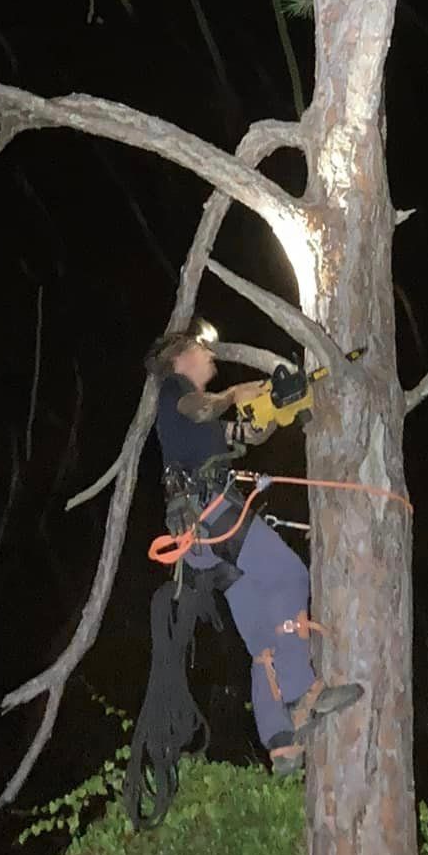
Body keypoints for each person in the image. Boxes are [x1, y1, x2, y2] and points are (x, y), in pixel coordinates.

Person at [145, 321, 363, 775]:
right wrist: (238, 393)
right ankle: (304, 692)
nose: (212, 358)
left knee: (263, 636)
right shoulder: (175, 392)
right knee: (290, 576)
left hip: (202, 543)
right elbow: (205, 409)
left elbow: (239, 436)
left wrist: (271, 411)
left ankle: (279, 738)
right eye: (203, 352)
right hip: (214, 518)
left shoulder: (189, 417)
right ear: (179, 358)